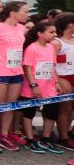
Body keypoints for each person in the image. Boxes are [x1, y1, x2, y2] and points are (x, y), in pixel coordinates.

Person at [0, 1, 29, 153]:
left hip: (16, 71)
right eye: (25, 12)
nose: (27, 15)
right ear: (13, 13)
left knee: (10, 106)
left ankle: (3, 134)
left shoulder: (22, 28)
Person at [20, 22, 64, 154]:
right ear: (40, 34)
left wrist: (56, 82)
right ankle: (30, 139)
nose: (55, 35)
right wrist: (34, 85)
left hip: (49, 87)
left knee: (52, 112)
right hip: (33, 86)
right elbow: (27, 68)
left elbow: (52, 66)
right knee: (29, 113)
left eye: (55, 32)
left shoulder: (51, 47)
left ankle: (45, 138)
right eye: (51, 32)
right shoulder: (32, 48)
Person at [52, 13, 74, 151]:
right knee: (65, 108)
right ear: (70, 25)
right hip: (64, 76)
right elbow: (50, 63)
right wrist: (58, 80)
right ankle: (63, 137)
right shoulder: (57, 42)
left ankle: (68, 132)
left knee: (71, 109)